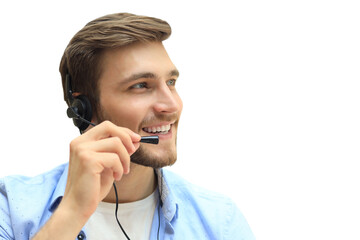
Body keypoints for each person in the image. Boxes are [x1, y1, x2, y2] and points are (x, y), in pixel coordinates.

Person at [0, 13, 255, 240]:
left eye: (171, 82)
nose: (172, 105)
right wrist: (72, 211)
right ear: (83, 108)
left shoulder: (220, 222)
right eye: (141, 85)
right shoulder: (11, 206)